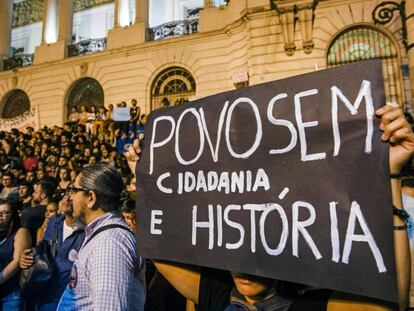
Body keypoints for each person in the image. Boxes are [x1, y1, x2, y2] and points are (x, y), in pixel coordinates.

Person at [125, 105, 413, 310]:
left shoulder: (308, 305)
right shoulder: (219, 294)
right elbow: (158, 246)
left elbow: (391, 301)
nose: (244, 264)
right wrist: (148, 179)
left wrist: (388, 177)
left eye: (259, 246)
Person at [57, 163, 145, 310]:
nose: (70, 197)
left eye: (74, 190)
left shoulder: (110, 244)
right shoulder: (103, 236)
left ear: (91, 198)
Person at [20, 193, 85, 310]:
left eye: (73, 195)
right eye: (65, 195)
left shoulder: (88, 230)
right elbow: (43, 251)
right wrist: (27, 258)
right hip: (45, 296)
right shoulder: (54, 223)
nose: (67, 198)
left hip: (71, 299)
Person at [0, 200, 31, 309]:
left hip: (11, 291)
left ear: (13, 215)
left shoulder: (21, 232)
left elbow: (17, 261)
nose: (1, 215)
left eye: (5, 212)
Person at [20, 180, 57, 245]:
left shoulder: (28, 212)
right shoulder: (56, 211)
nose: (33, 194)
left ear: (43, 195)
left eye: (36, 192)